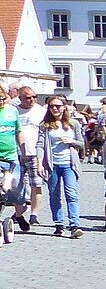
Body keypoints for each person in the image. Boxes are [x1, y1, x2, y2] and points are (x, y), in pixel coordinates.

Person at [39, 97, 84, 238]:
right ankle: (59, 224)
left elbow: (82, 143)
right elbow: (40, 145)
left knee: (71, 194)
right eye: (52, 106)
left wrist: (71, 141)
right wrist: (40, 163)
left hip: (69, 164)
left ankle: (74, 225)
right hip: (52, 164)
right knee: (54, 195)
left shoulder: (73, 124)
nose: (55, 109)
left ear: (64, 107)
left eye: (58, 106)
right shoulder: (45, 125)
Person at [15, 87, 45, 229]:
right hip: (16, 153)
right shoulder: (14, 111)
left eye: (34, 96)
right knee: (16, 186)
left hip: (35, 153)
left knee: (36, 184)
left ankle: (34, 214)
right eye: (28, 97)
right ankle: (19, 212)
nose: (32, 99)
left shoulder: (40, 111)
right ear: (20, 98)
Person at [0, 92, 22, 233]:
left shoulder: (12, 111)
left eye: (2, 99)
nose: (1, 102)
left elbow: (18, 131)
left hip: (11, 158)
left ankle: (18, 214)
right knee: (1, 189)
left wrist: (23, 150)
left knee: (14, 190)